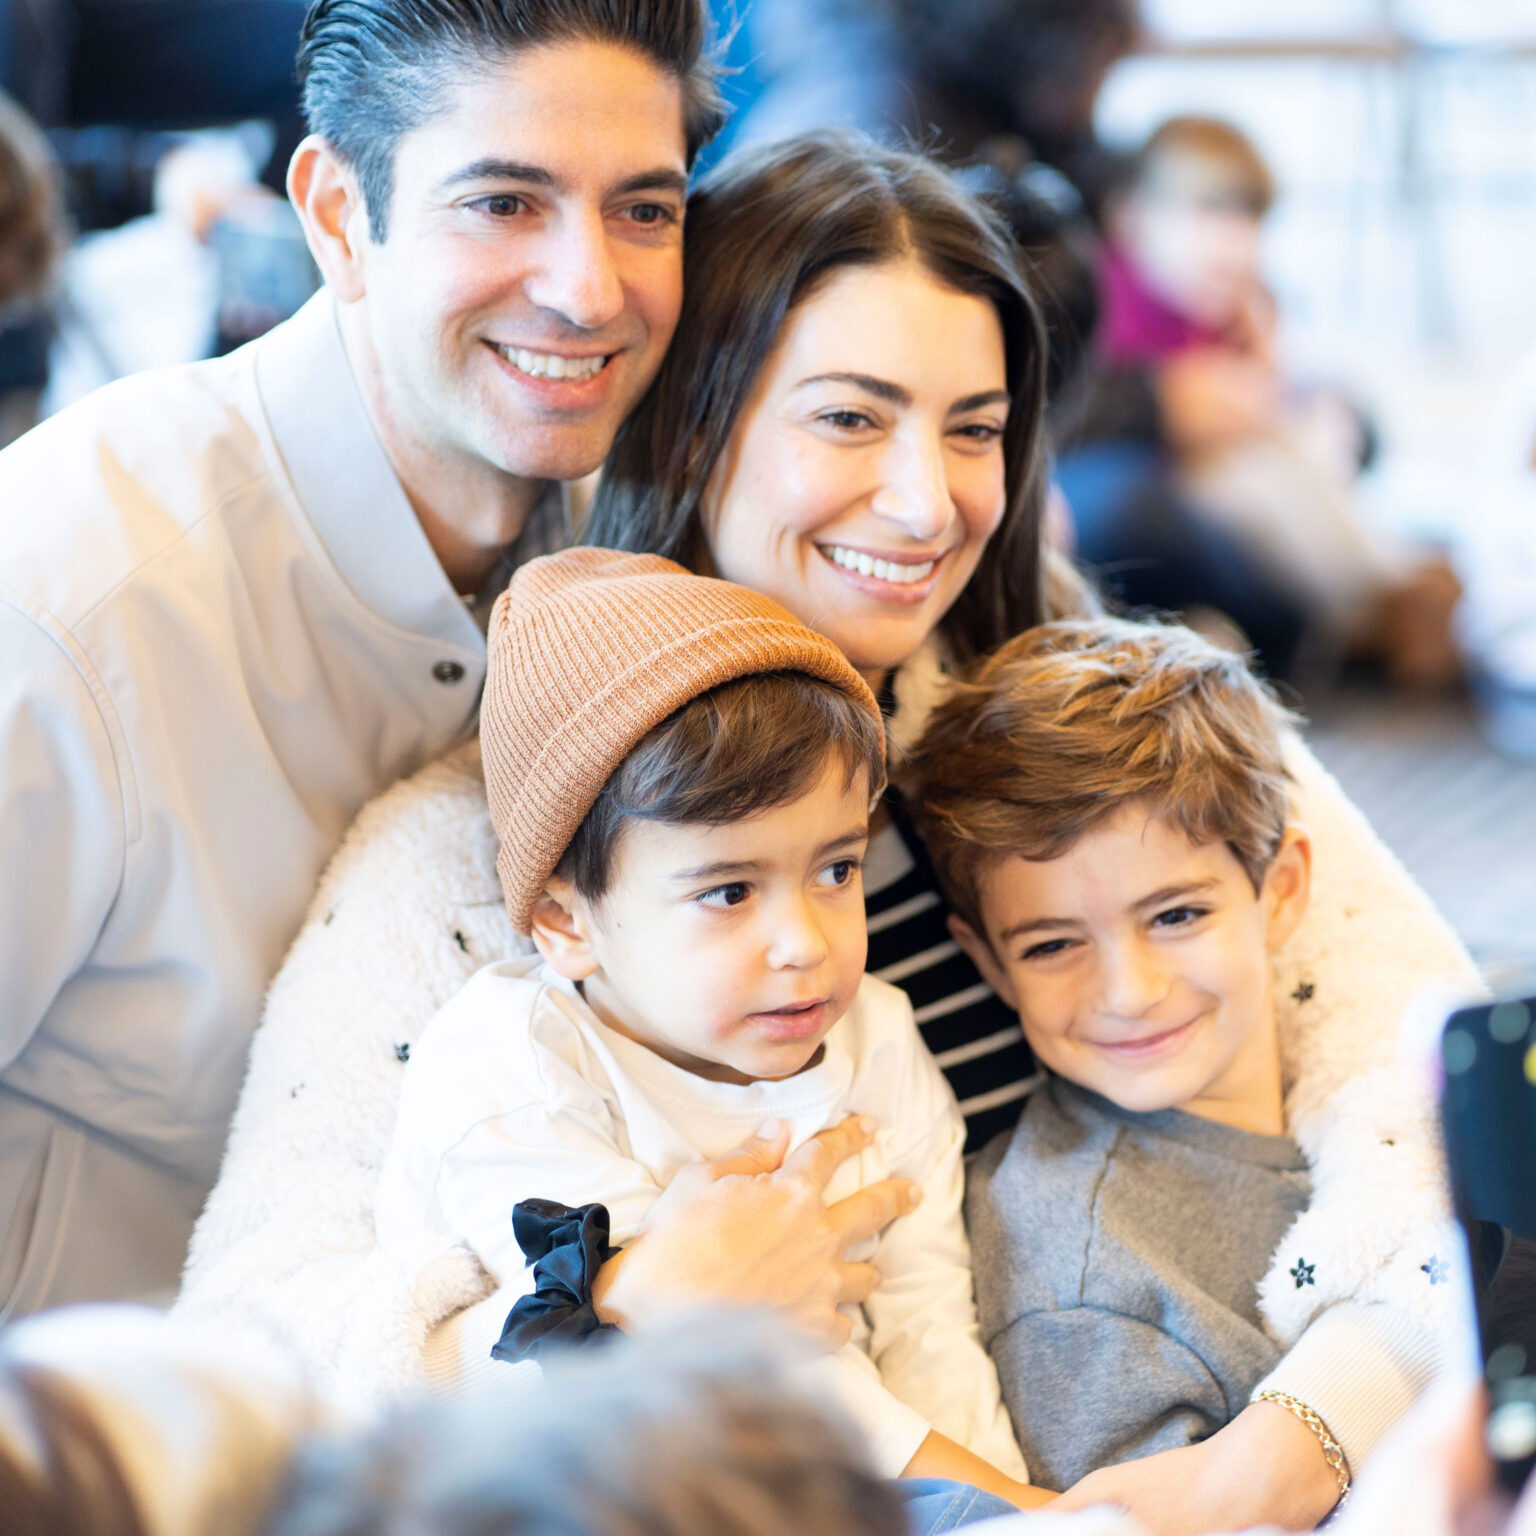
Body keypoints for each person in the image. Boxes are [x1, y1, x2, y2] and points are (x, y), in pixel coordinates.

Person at [182, 133, 1481, 1536]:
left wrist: (1291, 1450)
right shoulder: (472, 859)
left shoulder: (1106, 724)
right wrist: (608, 1317)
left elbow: (1450, 1100)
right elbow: (256, 1374)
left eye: (974, 429)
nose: (928, 504)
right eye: (850, 420)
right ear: (695, 427)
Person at [0, 0, 728, 1319]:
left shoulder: (642, 545)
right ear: (338, 215)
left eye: (645, 210)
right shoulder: (66, 592)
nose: (587, 288)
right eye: (505, 204)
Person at [373, 547, 1044, 1512]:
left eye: (837, 870)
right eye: (729, 891)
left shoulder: (880, 1039)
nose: (805, 944)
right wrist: (1024, 1511)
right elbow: (735, 1341)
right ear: (567, 920)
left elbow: (929, 1314)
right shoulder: (515, 1068)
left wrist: (1007, 1505)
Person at [906, 617, 1333, 1495]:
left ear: (1280, 890)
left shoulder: (1374, 1060)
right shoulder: (1089, 1293)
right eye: (1053, 945)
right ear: (988, 961)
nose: (1130, 991)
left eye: (1175, 915)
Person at [1058, 116, 1460, 685]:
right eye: (1205, 216)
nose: (1233, 245)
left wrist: (1305, 397)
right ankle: (1380, 608)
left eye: (1247, 220)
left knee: (1297, 452)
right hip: (1178, 487)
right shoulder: (1104, 303)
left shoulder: (1234, 305)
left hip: (1249, 473)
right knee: (1259, 476)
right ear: (1132, 218)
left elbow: (1291, 389)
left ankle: (1397, 589)